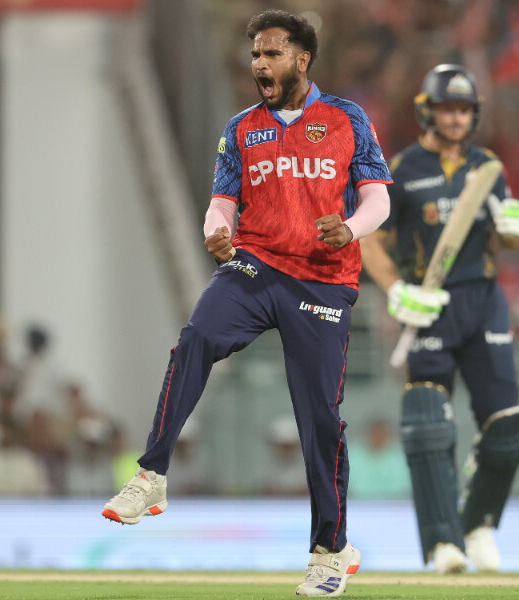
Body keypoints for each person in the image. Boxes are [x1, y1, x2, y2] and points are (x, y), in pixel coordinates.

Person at [101, 9, 391, 597]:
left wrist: (351, 229)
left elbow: (378, 199)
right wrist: (216, 229)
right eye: (255, 53)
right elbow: (222, 202)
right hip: (256, 264)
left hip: (322, 280)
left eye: (271, 53)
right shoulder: (240, 129)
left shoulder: (347, 119)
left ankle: (330, 552)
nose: (259, 62)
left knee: (318, 417)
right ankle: (151, 475)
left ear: (302, 59)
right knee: (197, 338)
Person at [360, 64, 519, 575]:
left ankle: (477, 526)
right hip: (429, 306)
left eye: (463, 109)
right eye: (446, 108)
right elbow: (369, 239)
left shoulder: (488, 167)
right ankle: (443, 544)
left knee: (507, 427)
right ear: (427, 111)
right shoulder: (403, 168)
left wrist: (514, 231)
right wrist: (397, 291)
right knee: (429, 425)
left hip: (483, 301)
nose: (455, 118)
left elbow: (504, 241)